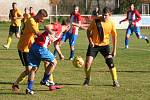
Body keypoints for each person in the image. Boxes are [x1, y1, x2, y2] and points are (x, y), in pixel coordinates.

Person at [26, 22, 69, 94]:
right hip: (40, 47)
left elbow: (56, 45)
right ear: (67, 26)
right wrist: (52, 33)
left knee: (34, 68)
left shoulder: (61, 35)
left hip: (34, 47)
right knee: (54, 62)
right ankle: (44, 81)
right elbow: (46, 26)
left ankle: (29, 88)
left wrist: (60, 54)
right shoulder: (58, 26)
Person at [12, 9, 49, 92]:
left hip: (31, 47)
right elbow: (38, 33)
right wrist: (49, 32)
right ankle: (16, 84)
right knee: (28, 70)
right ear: (39, 15)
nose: (42, 21)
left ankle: (48, 82)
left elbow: (34, 35)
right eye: (42, 18)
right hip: (23, 48)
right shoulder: (31, 21)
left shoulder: (35, 21)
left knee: (45, 62)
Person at [83, 7, 120, 87]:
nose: (104, 17)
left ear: (110, 15)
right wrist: (90, 41)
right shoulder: (96, 21)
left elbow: (114, 37)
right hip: (94, 45)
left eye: (106, 15)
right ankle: (87, 80)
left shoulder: (111, 24)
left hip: (105, 46)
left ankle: (115, 81)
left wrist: (114, 50)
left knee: (110, 62)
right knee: (87, 63)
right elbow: (88, 30)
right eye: (103, 15)